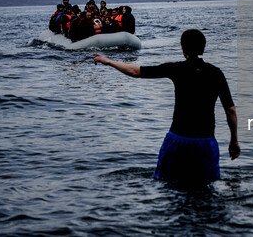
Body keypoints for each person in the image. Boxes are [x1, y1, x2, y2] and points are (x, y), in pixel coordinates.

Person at [93, 29, 240, 185]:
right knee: (206, 187)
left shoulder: (176, 69)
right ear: (203, 47)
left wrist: (109, 61)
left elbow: (136, 71)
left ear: (182, 48)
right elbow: (230, 110)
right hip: (205, 142)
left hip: (178, 140)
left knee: (166, 183)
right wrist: (234, 141)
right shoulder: (216, 73)